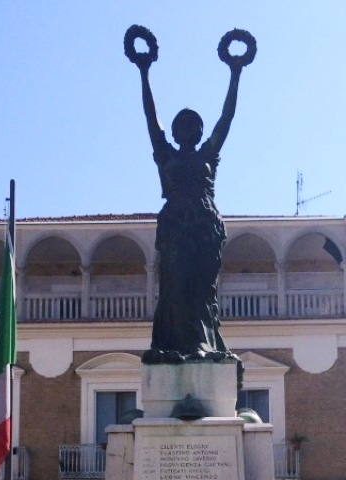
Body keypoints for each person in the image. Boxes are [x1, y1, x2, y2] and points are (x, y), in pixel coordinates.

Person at [124, 26, 256, 363]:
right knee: (175, 285)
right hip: (176, 226)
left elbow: (226, 119)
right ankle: (175, 345)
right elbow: (149, 117)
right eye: (182, 124)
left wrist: (235, 74)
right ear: (176, 130)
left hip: (204, 227)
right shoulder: (165, 155)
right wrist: (143, 72)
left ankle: (202, 343)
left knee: (202, 289)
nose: (188, 128)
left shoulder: (207, 155)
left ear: (197, 131)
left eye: (193, 124)